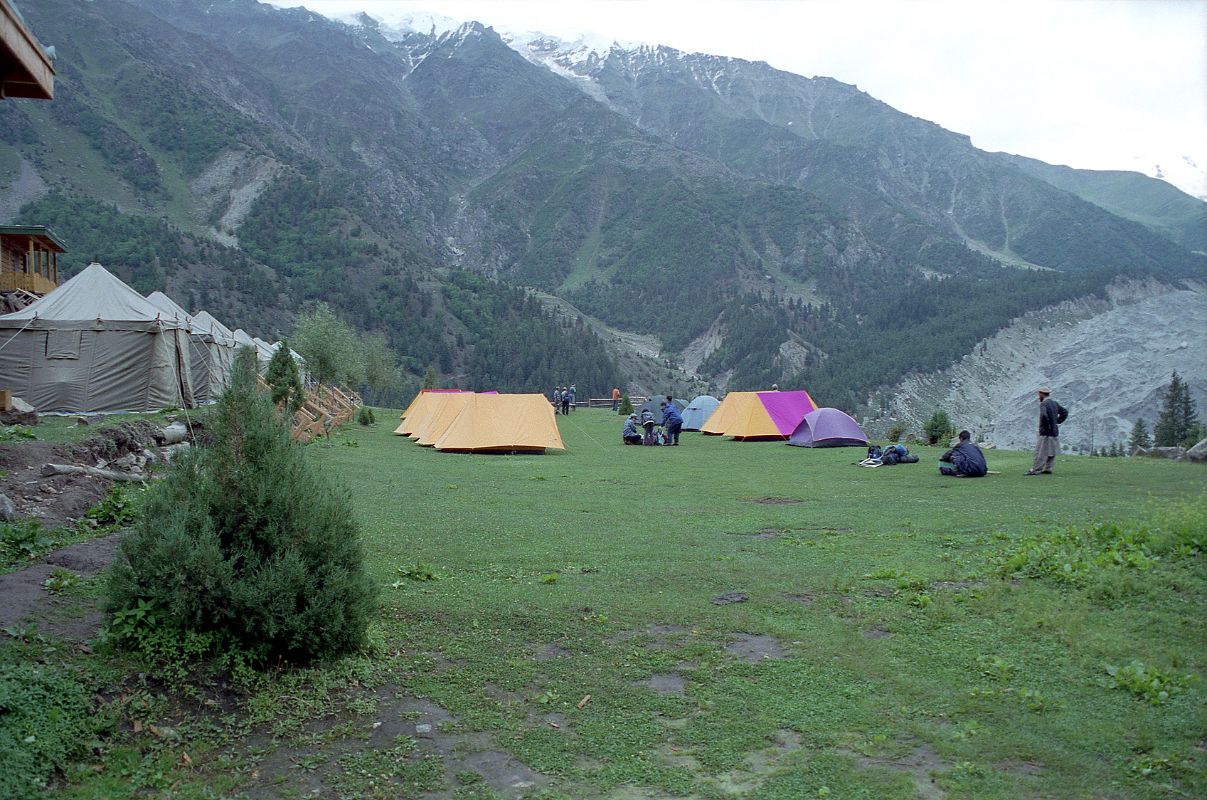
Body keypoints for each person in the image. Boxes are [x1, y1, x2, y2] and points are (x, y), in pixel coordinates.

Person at [1026, 387, 1067, 475]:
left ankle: (1036, 470)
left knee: (1041, 452)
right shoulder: (1054, 403)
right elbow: (1065, 412)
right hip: (1054, 431)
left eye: (1039, 394)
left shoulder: (1044, 404)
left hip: (1045, 432)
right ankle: (1048, 468)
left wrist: (1047, 425)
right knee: (1051, 451)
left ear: (1041, 394)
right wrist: (1057, 421)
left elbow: (1044, 415)